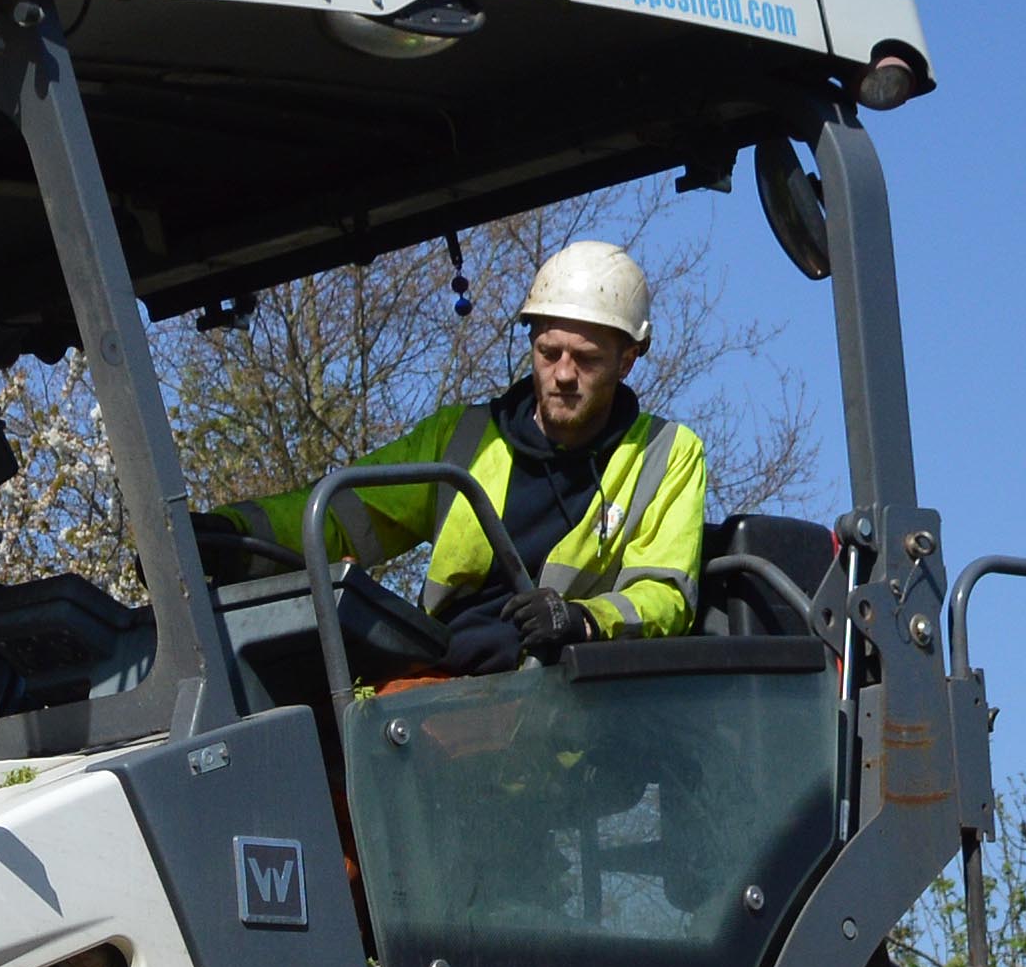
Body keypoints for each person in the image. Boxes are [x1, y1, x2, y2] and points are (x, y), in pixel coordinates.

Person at [240, 237, 709, 668]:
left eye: (585, 358)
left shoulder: (665, 455)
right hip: (441, 689)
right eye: (549, 353)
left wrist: (582, 620)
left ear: (627, 360)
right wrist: (233, 533)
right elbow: (341, 512)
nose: (563, 373)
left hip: (565, 712)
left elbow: (665, 595)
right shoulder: (461, 437)